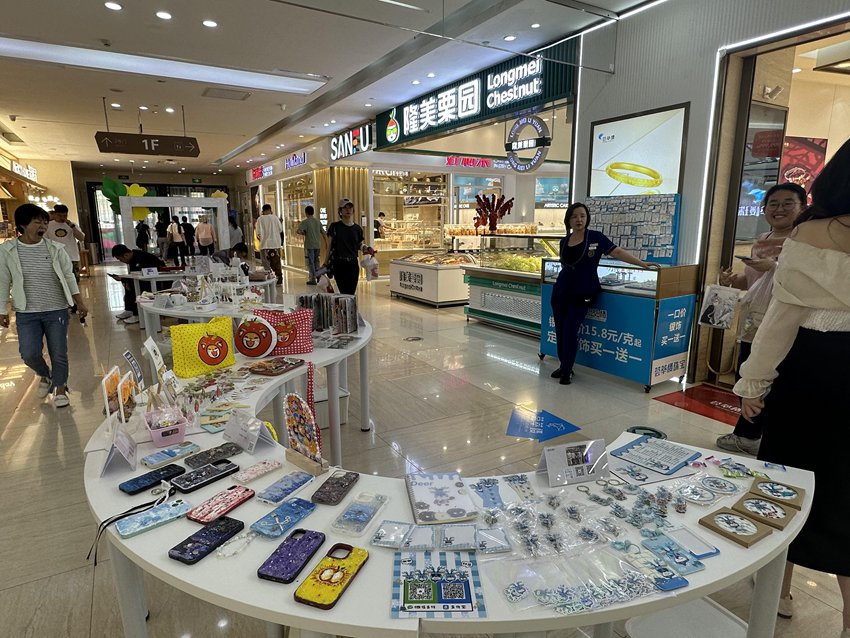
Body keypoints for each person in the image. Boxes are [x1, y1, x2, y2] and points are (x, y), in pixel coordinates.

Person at [734, 137, 850, 635]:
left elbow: (782, 320)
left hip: (812, 374)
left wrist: (753, 383)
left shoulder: (814, 234)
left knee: (786, 483)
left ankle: (777, 592)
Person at [715, 183, 806, 456]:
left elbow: (804, 284)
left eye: (788, 203)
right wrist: (732, 281)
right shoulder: (762, 239)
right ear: (765, 209)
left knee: (769, 380)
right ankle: (750, 434)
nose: (779, 209)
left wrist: (774, 267)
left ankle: (751, 436)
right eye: (773, 203)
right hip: (753, 321)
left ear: (802, 207)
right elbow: (752, 281)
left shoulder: (803, 241)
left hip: (784, 322)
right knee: (747, 373)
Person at [550, 202, 657, 385]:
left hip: (582, 292)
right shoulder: (564, 241)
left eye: (582, 216)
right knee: (560, 330)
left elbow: (617, 252)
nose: (579, 220)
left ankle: (567, 370)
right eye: (574, 216)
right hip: (561, 291)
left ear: (587, 218)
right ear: (568, 220)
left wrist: (641, 264)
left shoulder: (596, 238)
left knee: (570, 331)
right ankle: (563, 365)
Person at [0, 204, 89, 407]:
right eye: (37, 222)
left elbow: (68, 277)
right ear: (23, 225)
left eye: (44, 222)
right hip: (26, 312)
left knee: (59, 352)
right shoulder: (7, 251)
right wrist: (1, 309)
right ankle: (45, 374)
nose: (42, 226)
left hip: (56, 309)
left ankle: (60, 388)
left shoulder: (55, 249)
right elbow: (3, 281)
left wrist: (80, 302)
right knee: (29, 353)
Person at [326, 198, 374, 295]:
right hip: (339, 263)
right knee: (344, 292)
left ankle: (351, 305)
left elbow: (359, 244)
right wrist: (325, 263)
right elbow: (329, 246)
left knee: (351, 293)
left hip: (353, 264)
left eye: (350, 207)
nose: (348, 210)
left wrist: (366, 248)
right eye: (345, 208)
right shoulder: (335, 226)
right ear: (340, 211)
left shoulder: (357, 228)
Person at [109, 244, 166, 325]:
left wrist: (123, 279)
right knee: (128, 284)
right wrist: (124, 280)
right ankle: (130, 310)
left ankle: (137, 314)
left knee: (133, 286)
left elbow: (141, 274)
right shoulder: (133, 259)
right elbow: (134, 275)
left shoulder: (142, 257)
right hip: (147, 279)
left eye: (120, 259)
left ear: (126, 255)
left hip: (156, 281)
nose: (121, 261)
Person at [46, 204, 85, 282]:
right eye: (60, 216)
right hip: (55, 258)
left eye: (65, 215)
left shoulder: (73, 225)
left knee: (74, 282)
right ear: (55, 214)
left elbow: (81, 238)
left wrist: (72, 227)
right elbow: (45, 241)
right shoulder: (48, 226)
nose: (62, 218)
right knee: (58, 282)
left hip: (72, 257)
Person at [297, 205, 327, 285]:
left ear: (306, 213)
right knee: (317, 261)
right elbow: (324, 233)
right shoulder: (317, 221)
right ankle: (318, 276)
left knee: (311, 262)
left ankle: (313, 278)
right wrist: (327, 244)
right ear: (313, 212)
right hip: (317, 244)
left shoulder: (305, 222)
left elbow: (299, 231)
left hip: (309, 245)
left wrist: (303, 233)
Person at [255, 204, 283, 284]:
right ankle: (279, 277)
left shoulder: (260, 219)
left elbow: (258, 233)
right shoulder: (275, 218)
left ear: (263, 211)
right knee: (276, 261)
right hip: (275, 244)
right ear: (270, 210)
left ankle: (269, 278)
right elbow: (280, 229)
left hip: (265, 245)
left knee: (266, 263)